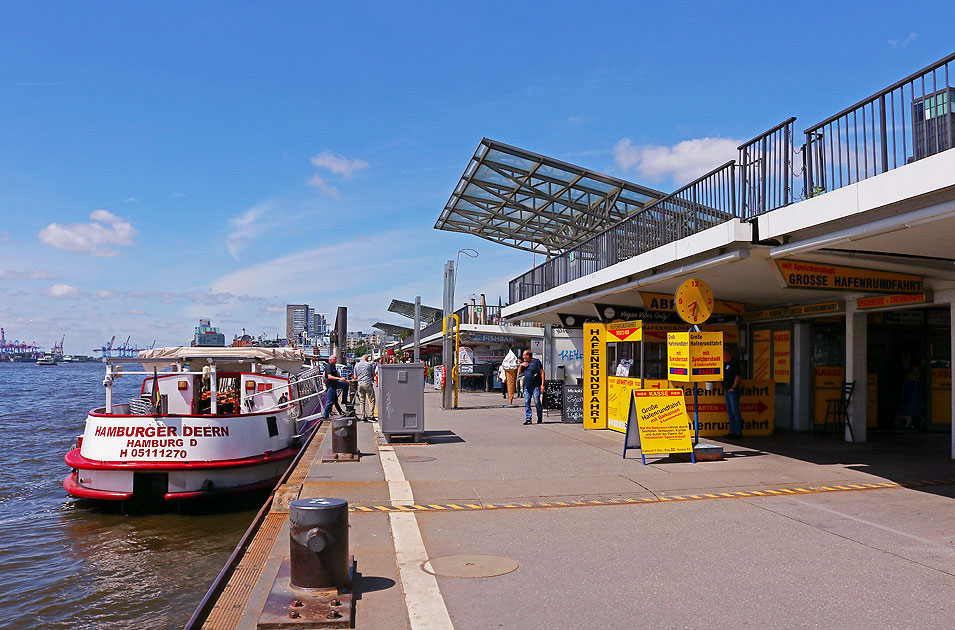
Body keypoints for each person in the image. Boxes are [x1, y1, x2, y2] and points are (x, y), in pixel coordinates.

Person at [518, 349, 545, 425]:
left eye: (524, 355)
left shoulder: (536, 362)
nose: (523, 357)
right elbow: (520, 373)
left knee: (537, 402)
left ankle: (539, 417)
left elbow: (542, 372)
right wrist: (521, 366)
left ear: (528, 356)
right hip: (527, 386)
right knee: (527, 402)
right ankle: (528, 419)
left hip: (536, 386)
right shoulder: (524, 364)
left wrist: (542, 385)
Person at [723, 351, 742, 438]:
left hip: (732, 390)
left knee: (735, 412)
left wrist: (733, 387)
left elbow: (737, 376)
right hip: (727, 390)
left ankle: (738, 433)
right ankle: (732, 432)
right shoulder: (724, 364)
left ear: (727, 355)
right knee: (730, 412)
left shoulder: (734, 363)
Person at [354, 354, 377, 422]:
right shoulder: (369, 364)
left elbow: (355, 377)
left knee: (362, 401)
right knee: (372, 399)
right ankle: (371, 416)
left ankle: (362, 417)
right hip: (367, 383)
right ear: (366, 359)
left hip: (360, 384)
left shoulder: (356, 365)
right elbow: (373, 374)